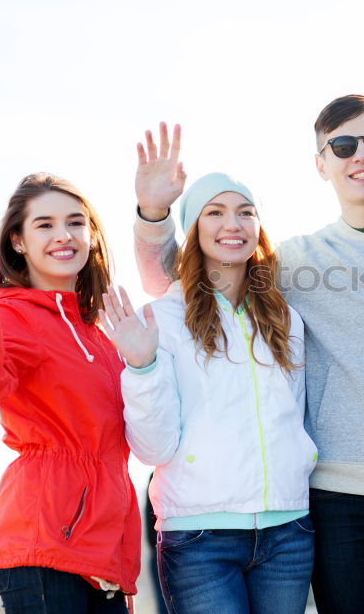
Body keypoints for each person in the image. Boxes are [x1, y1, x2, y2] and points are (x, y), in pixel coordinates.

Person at [132, 97, 364, 613]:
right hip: (339, 498)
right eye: (342, 146)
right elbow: (181, 274)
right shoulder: (296, 262)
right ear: (321, 164)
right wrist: (154, 215)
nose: (361, 155)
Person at [101, 172, 316, 614]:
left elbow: (298, 415)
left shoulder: (285, 318)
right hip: (199, 539)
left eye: (245, 212)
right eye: (214, 212)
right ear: (194, 230)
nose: (231, 224)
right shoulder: (162, 318)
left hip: (288, 532)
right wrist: (143, 367)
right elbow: (152, 447)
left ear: (259, 228)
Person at [0, 174, 141, 613]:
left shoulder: (101, 333)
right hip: (44, 542)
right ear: (18, 242)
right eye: (44, 224)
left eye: (75, 222)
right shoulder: (12, 315)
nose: (63, 235)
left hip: (100, 552)